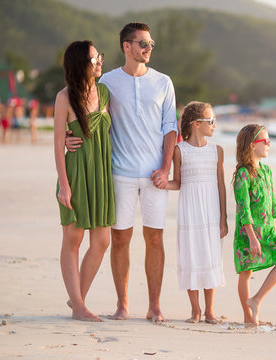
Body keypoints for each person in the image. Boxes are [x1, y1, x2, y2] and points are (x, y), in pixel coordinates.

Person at [66, 23, 177, 322]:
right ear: (126, 46)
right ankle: (123, 304)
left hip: (155, 174)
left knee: (155, 239)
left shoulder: (164, 82)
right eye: (142, 43)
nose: (148, 47)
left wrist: (166, 168)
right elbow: (79, 104)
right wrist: (67, 134)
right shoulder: (108, 83)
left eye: (151, 42)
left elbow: (171, 129)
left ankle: (154, 305)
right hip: (119, 172)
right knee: (120, 239)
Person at [53, 40, 114, 321]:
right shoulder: (64, 98)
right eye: (94, 59)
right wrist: (64, 185)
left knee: (102, 241)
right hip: (76, 173)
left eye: (99, 56)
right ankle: (79, 307)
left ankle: (77, 300)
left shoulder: (104, 92)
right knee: (73, 239)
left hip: (101, 173)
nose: (100, 61)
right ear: (80, 65)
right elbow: (57, 144)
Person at [166, 101, 228, 324]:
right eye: (210, 120)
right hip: (190, 211)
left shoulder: (217, 151)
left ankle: (210, 311)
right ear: (195, 124)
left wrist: (224, 218)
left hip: (211, 213)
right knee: (192, 255)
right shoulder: (179, 150)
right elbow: (178, 182)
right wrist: (163, 182)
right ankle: (195, 310)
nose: (214, 124)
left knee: (211, 256)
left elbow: (221, 186)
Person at [232, 124, 276, 325]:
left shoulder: (266, 171)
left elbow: (272, 202)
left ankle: (256, 300)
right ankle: (248, 318)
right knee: (246, 272)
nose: (269, 144)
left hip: (267, 231)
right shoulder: (243, 174)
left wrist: (272, 231)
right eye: (265, 141)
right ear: (252, 145)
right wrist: (251, 238)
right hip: (248, 232)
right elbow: (243, 209)